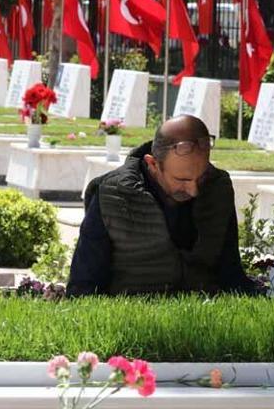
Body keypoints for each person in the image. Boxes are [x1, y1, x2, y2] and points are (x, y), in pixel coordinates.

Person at [67, 114, 257, 296]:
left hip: (203, 316)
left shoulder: (217, 187)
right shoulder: (112, 194)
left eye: (202, 177)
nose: (194, 191)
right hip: (134, 318)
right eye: (182, 180)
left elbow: (230, 274)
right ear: (153, 164)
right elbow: (84, 285)